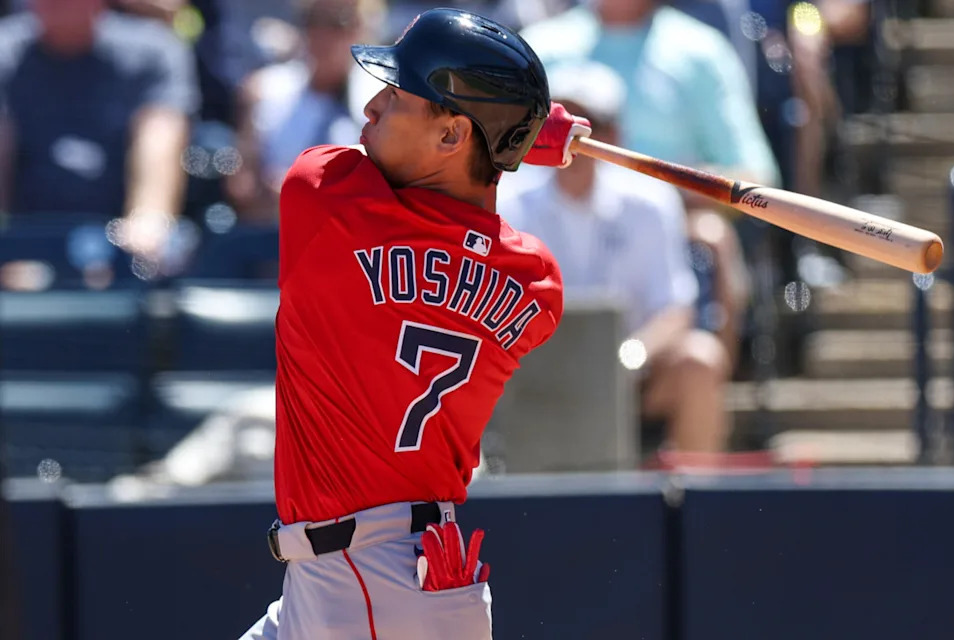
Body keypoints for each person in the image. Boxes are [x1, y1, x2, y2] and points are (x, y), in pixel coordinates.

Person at [239, 8, 588, 639]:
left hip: (367, 586)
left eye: (397, 96)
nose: (371, 106)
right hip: (398, 576)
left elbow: (344, 168)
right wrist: (506, 135)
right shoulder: (535, 279)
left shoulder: (323, 200)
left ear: (453, 134)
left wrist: (523, 135)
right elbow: (459, 213)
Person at [521, 0, 781, 364]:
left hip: (669, 220)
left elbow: (756, 180)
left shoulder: (702, 50)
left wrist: (663, 195)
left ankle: (706, 378)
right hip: (534, 215)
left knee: (712, 242)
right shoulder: (537, 48)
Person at [501, 60, 730, 455]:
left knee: (699, 360)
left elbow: (674, 310)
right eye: (556, 126)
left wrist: (626, 358)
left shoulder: (651, 202)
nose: (569, 140)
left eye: (585, 127)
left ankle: (694, 493)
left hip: (633, 377)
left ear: (614, 135)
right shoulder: (510, 201)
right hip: (533, 372)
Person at [0, 0, 198, 267]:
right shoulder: (5, 50)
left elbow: (160, 137)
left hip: (122, 237)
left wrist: (147, 223)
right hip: (25, 234)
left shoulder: (154, 49)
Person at [226, 0, 383, 220]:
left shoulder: (383, 100)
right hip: (276, 227)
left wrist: (308, 192)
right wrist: (277, 193)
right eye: (312, 20)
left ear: (363, 27)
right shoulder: (265, 90)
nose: (322, 34)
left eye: (338, 22)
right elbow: (241, 186)